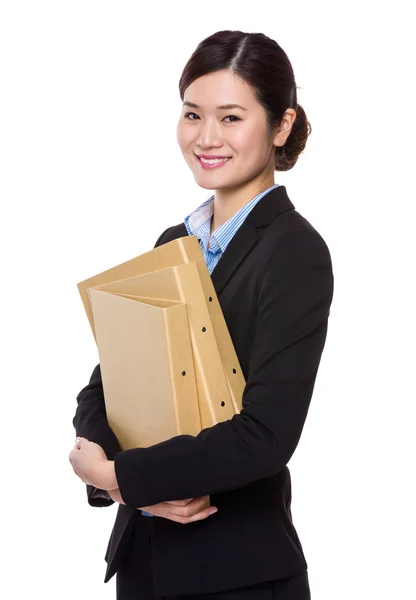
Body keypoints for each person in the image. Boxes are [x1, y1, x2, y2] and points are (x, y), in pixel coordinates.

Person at [69, 29, 334, 600]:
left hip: (236, 575)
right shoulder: (173, 243)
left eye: (231, 117)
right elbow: (104, 390)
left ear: (281, 125)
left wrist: (123, 477)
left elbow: (266, 436)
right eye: (192, 114)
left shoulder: (294, 251)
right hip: (145, 565)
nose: (206, 137)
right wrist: (119, 484)